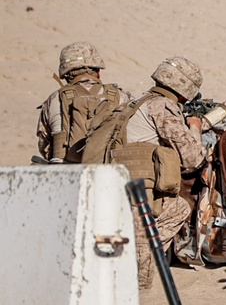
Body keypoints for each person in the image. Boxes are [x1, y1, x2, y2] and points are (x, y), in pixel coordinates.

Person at [84, 56, 208, 289]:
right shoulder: (162, 106)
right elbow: (192, 158)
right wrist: (195, 127)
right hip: (139, 197)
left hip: (112, 188)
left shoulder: (136, 103)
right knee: (138, 274)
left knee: (178, 208)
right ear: (185, 90)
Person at [36, 41, 131, 163]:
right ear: (98, 72)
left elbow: (44, 145)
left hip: (66, 172)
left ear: (66, 74)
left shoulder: (55, 99)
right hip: (108, 172)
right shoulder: (121, 96)